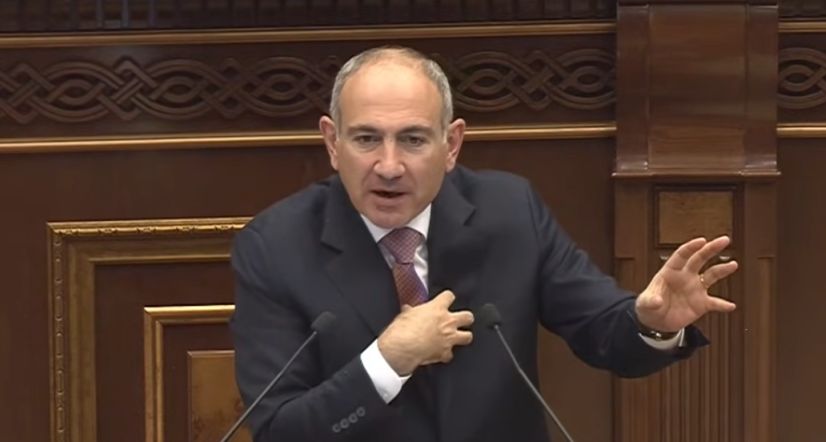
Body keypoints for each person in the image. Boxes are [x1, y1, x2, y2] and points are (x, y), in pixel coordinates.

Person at [229, 46, 738, 442]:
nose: (388, 166)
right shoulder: (274, 247)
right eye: (366, 139)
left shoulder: (510, 210)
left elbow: (602, 331)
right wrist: (387, 360)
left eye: (413, 139)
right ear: (332, 143)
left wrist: (651, 323)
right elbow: (278, 429)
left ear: (451, 145)